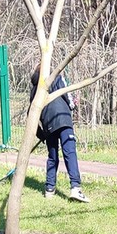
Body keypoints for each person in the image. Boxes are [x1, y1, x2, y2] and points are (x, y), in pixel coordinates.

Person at [30, 70, 89, 202]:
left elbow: (31, 114)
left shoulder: (34, 90)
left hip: (47, 124)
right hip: (62, 118)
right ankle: (76, 188)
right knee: (69, 152)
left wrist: (42, 135)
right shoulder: (56, 78)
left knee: (52, 156)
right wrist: (73, 104)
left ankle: (49, 189)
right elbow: (67, 95)